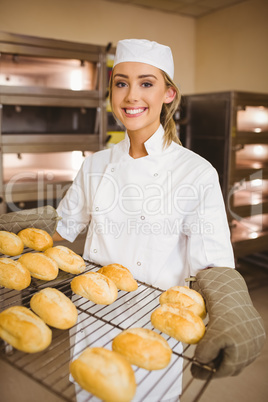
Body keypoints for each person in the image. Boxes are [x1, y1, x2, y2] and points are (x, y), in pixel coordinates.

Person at [52, 39, 265, 401]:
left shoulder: (195, 172)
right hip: (91, 321)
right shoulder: (95, 165)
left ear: (169, 93)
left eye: (146, 83)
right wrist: (25, 234)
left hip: (155, 330)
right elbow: (62, 228)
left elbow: (213, 262)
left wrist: (234, 310)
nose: (131, 95)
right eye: (121, 83)